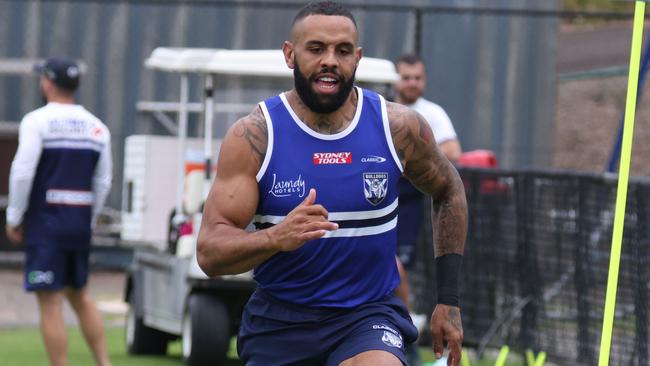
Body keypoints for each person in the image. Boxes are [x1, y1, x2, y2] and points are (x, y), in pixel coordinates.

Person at [197, 2, 468, 365]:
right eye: (316, 48)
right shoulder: (256, 136)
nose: (330, 60)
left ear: (357, 58)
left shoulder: (398, 128)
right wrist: (274, 238)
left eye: (342, 51)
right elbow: (209, 253)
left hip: (367, 316)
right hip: (280, 322)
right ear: (290, 55)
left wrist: (448, 299)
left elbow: (449, 190)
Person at [5, 58, 112, 366]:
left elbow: (23, 171)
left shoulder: (36, 121)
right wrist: (89, 219)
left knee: (50, 301)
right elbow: (103, 181)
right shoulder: (97, 127)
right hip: (79, 224)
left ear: (48, 83)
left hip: (46, 224)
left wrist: (14, 217)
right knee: (80, 295)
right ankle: (105, 362)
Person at [393, 53, 463, 320]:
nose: (411, 83)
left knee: (399, 264)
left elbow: (452, 150)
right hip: (379, 196)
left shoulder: (431, 113)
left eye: (417, 78)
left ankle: (405, 321)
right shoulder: (381, 107)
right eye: (406, 77)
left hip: (414, 200)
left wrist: (408, 158)